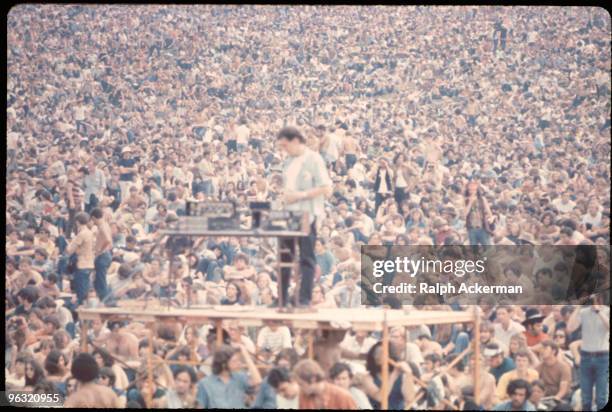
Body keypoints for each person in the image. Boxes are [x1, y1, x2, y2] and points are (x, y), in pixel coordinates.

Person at [277, 126, 333, 307]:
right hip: (289, 214)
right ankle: (283, 298)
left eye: (285, 145)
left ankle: (304, 298)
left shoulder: (313, 159)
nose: (284, 149)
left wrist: (299, 195)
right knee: (284, 257)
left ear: (295, 141)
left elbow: (326, 188)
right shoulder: (287, 162)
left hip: (307, 214)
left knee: (306, 258)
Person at [566, 296, 610, 411]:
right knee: (585, 398)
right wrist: (578, 307)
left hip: (602, 357)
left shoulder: (607, 311)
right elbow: (570, 328)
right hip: (586, 356)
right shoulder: (583, 312)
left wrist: (598, 311)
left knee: (601, 397)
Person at [196, 344, 262, 408]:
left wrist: (246, 355)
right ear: (224, 364)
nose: (239, 363)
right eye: (234, 361)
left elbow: (258, 382)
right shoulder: (205, 384)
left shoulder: (240, 377)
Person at [293, 359, 357, 409]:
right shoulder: (303, 395)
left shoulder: (342, 396)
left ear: (313, 379)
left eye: (301, 384)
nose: (299, 388)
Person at [65, 212, 95, 305]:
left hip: (82, 264)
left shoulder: (81, 234)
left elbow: (69, 250)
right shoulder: (90, 233)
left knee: (81, 291)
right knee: (86, 289)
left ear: (77, 222)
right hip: (90, 263)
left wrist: (69, 242)